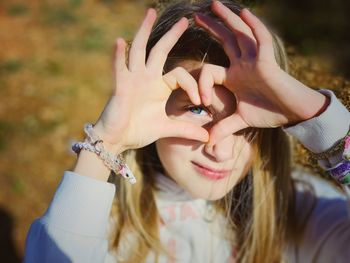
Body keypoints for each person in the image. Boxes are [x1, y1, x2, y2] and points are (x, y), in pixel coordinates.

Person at [24, 0, 350, 262]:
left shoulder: (305, 212)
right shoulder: (103, 222)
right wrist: (105, 145)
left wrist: (324, 122)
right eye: (197, 109)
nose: (221, 150)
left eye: (248, 123)